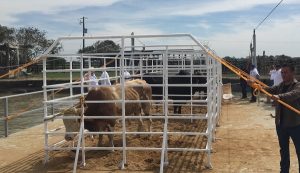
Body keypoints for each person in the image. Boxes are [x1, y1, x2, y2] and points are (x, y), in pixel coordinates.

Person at [255, 64, 300, 173]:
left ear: (293, 73)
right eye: (282, 72)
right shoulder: (280, 85)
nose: (283, 74)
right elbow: (270, 89)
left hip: (295, 125)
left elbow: (293, 94)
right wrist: (256, 86)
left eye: (286, 72)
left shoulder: (297, 86)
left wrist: (280, 97)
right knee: (283, 150)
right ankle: (284, 171)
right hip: (281, 124)